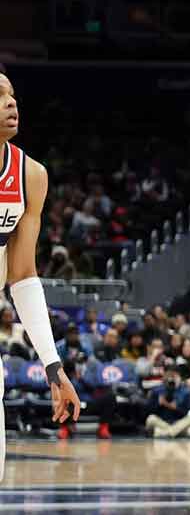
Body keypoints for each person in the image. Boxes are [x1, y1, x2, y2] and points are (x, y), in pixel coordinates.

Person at [0, 70, 81, 477]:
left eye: (12, 95)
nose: (11, 103)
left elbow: (23, 277)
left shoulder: (31, 175)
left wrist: (54, 368)